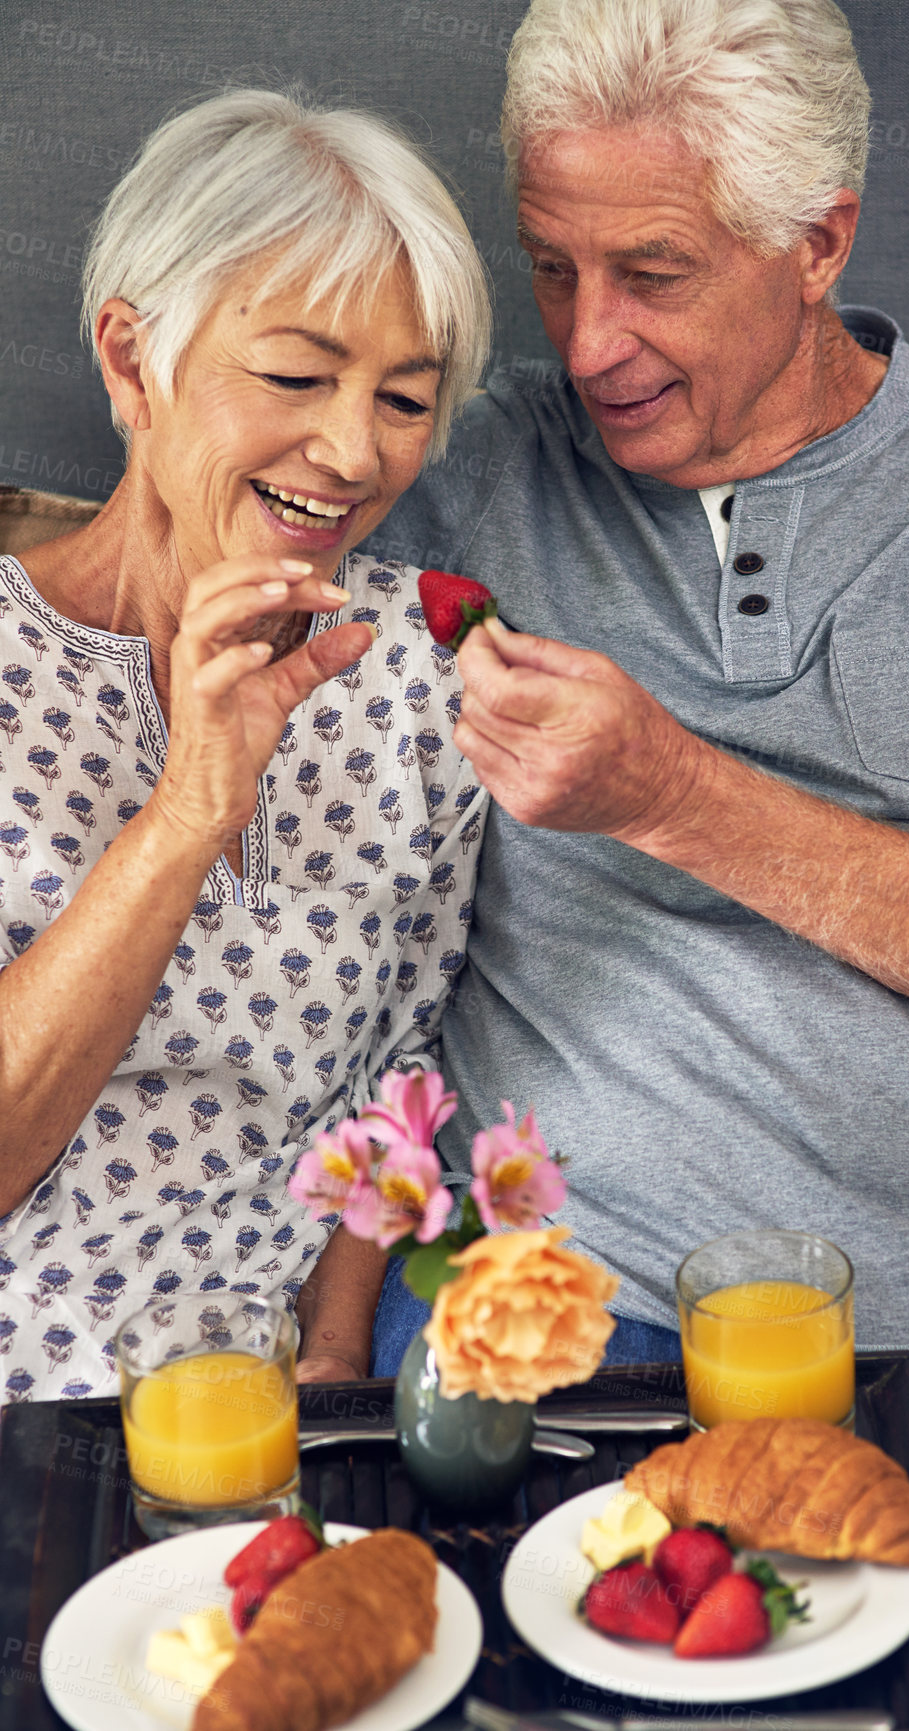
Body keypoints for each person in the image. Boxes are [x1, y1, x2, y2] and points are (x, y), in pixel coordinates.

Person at [367, 2, 909, 1724]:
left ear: (822, 240)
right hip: (589, 1318)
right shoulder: (461, 458)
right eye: (552, 268)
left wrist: (669, 790)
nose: (587, 343)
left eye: (653, 271)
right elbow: (192, 519)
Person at [0, 87, 491, 1402]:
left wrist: (333, 1366)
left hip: (284, 1406)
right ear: (129, 358)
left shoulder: (414, 674)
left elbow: (400, 1086)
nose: (350, 452)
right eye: (293, 376)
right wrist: (186, 818)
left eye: (403, 398)